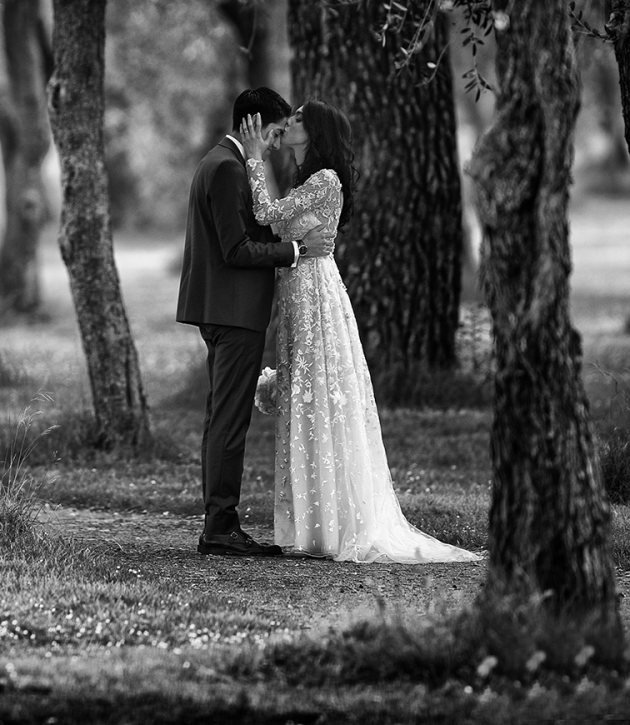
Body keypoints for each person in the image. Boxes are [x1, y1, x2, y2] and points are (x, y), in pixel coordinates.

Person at [241, 100, 480, 564]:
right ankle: (311, 522)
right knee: (304, 396)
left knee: (319, 395)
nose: (288, 124)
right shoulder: (306, 181)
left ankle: (333, 524)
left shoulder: (325, 180)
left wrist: (253, 158)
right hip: (295, 290)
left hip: (314, 292)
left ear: (316, 134)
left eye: (297, 121)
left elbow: (267, 213)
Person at [177, 87, 334, 557]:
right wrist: (295, 251)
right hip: (233, 311)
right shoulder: (226, 168)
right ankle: (220, 528)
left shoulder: (222, 162)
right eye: (274, 132)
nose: (273, 143)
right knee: (229, 420)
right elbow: (236, 249)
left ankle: (218, 523)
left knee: (220, 418)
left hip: (224, 309)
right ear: (254, 126)